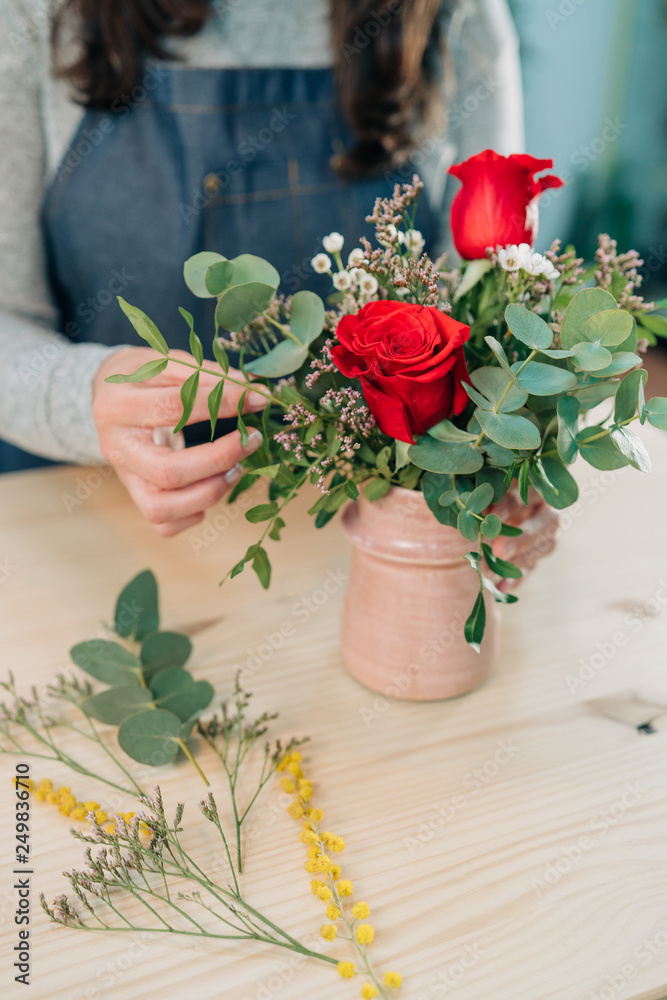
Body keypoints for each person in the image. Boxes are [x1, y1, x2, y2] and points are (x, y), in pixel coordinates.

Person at [0, 0, 524, 538]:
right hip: (74, 526)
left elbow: (494, 306)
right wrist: (82, 397)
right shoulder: (34, 14)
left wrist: (505, 466)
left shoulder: (454, 14)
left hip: (360, 530)